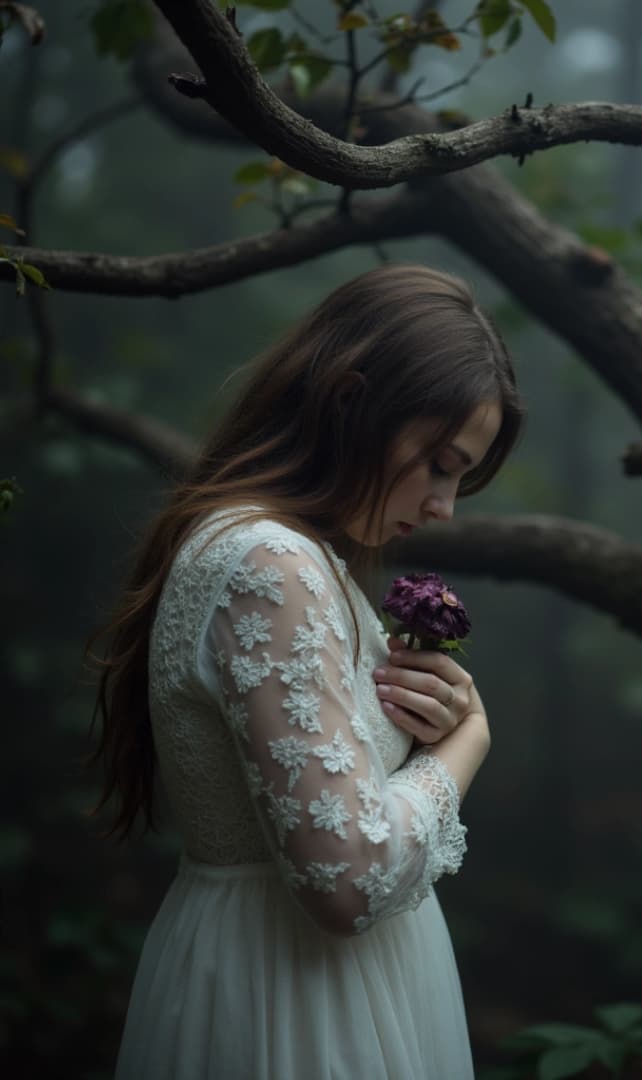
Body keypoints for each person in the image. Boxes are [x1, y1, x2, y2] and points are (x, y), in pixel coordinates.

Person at [88, 263, 524, 1079]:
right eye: (441, 462)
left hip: (300, 985)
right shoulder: (270, 561)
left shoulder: (274, 551)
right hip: (293, 1012)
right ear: (351, 399)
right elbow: (347, 882)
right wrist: (465, 742)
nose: (444, 507)